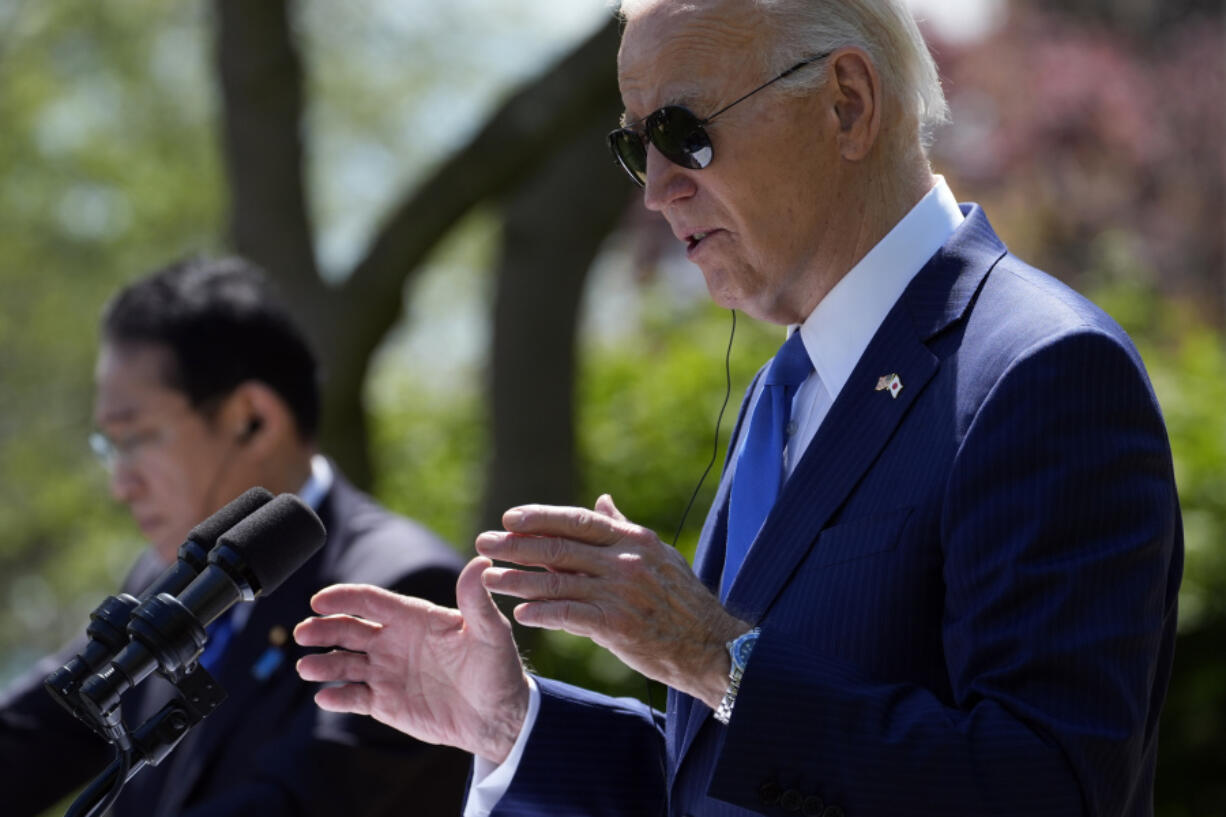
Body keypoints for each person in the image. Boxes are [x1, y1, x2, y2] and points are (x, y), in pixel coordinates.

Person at [294, 1, 1184, 815]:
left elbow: (1049, 789)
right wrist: (512, 726)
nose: (655, 187)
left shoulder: (1042, 369)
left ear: (846, 103)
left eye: (683, 132)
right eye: (634, 143)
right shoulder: (786, 389)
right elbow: (740, 775)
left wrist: (716, 657)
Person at [0, 257, 470, 817]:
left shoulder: (399, 589)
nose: (120, 486)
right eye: (108, 448)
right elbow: (38, 733)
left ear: (252, 419)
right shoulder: (163, 576)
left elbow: (294, 804)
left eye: (135, 437)